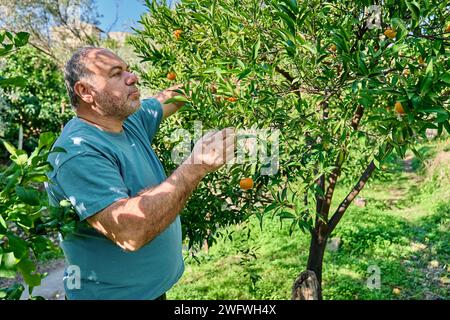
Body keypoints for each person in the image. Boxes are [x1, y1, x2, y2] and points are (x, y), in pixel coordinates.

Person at [45, 47, 235, 300]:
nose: (132, 77)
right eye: (116, 73)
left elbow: (171, 97)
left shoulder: (127, 120)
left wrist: (225, 80)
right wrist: (195, 167)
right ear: (85, 91)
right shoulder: (77, 153)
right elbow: (129, 233)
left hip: (151, 292)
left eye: (128, 69)